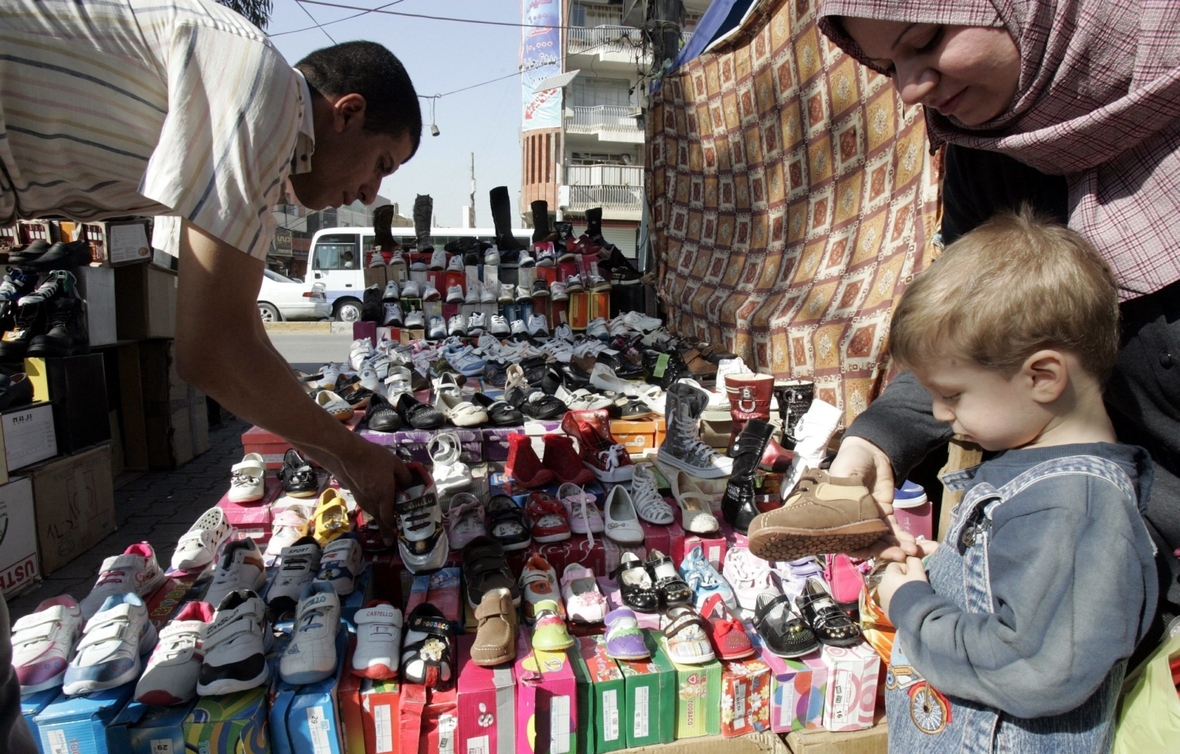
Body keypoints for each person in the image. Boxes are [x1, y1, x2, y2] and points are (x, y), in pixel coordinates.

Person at [0, 0, 421, 748]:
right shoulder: (257, 87)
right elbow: (214, 347)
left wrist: (338, 460)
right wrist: (355, 454)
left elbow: (225, 342)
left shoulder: (264, 164)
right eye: (381, 165)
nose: (369, 194)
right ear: (347, 113)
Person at [807, 0, 1180, 628]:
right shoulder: (986, 145)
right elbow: (977, 331)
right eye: (885, 64)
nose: (908, 88)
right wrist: (880, 436)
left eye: (925, 41)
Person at [874, 210, 1157, 751]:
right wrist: (950, 570)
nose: (936, 412)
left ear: (1043, 376)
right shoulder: (1046, 487)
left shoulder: (1074, 507)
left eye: (952, 393)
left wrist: (910, 602)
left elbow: (1029, 667)